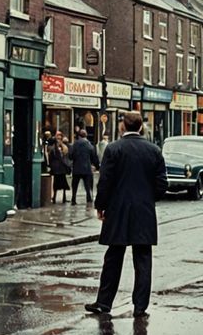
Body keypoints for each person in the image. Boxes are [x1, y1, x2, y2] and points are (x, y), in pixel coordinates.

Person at [88, 111, 167, 317]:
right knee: (143, 259)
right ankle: (140, 307)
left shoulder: (114, 149)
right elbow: (162, 185)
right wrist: (148, 200)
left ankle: (104, 303)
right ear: (141, 127)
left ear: (122, 126)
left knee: (113, 257)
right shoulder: (154, 150)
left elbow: (105, 182)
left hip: (118, 210)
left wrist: (101, 206)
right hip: (144, 211)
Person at [69, 129, 99, 206]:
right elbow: (94, 156)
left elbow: (70, 156)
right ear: (86, 135)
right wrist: (96, 165)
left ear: (79, 136)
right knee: (87, 185)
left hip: (77, 168)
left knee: (75, 185)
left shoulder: (75, 144)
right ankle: (88, 198)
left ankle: (73, 199)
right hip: (86, 168)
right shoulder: (89, 145)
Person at [48, 132, 71, 203]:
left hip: (61, 167)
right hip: (57, 168)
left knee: (63, 183)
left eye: (60, 138)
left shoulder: (64, 147)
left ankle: (63, 197)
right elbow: (51, 158)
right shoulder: (53, 148)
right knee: (56, 183)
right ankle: (54, 197)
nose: (59, 140)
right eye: (57, 138)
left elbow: (66, 157)